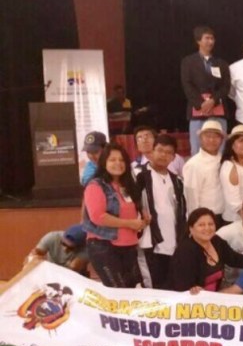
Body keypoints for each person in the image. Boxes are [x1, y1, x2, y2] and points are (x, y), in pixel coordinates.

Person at [82, 143, 147, 288]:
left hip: (129, 246)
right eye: (112, 160)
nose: (118, 163)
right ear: (104, 162)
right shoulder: (96, 185)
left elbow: (132, 211)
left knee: (134, 291)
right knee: (118, 295)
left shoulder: (127, 186)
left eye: (122, 160)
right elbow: (98, 217)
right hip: (105, 246)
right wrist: (129, 223)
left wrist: (143, 218)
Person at [169, 208, 243, 292]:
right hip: (190, 304)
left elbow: (235, 259)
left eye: (210, 224)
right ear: (191, 228)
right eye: (201, 225)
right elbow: (181, 285)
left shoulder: (216, 241)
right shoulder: (186, 250)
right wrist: (193, 289)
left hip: (215, 298)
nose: (207, 228)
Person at [135, 134, 186, 289]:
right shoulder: (139, 175)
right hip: (150, 242)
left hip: (173, 244)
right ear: (152, 151)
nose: (163, 155)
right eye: (160, 150)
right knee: (153, 289)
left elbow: (181, 211)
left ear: (173, 157)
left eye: (169, 152)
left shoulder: (177, 181)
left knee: (171, 288)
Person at [180, 25, 230, 155]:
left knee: (220, 148)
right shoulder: (188, 62)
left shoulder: (221, 63)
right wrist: (201, 104)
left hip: (218, 109)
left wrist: (213, 101)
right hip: (198, 110)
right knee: (197, 149)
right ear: (198, 41)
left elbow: (225, 86)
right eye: (207, 38)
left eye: (212, 38)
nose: (210, 41)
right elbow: (187, 85)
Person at [183, 120, 225, 224]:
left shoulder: (224, 159)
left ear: (221, 140)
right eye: (208, 136)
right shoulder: (194, 164)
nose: (212, 140)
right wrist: (194, 222)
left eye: (216, 137)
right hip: (204, 219)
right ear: (201, 138)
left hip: (224, 216)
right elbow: (191, 198)